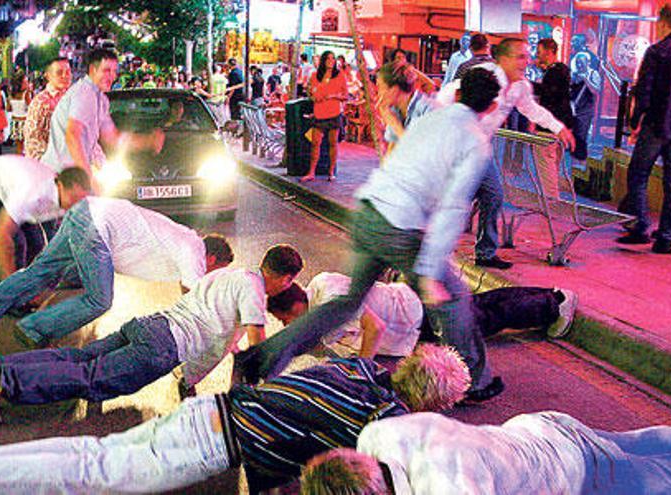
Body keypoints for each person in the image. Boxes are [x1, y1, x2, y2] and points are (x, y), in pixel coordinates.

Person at [234, 69, 504, 403]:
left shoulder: (433, 117)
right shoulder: (476, 142)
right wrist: (432, 271)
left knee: (346, 304)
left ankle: (258, 360)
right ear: (491, 108)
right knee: (455, 298)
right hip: (401, 226)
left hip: (368, 211)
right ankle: (473, 383)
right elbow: (452, 207)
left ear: (459, 95)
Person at [0, 343, 470, 493]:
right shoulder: (381, 419)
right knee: (96, 472)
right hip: (214, 441)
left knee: (95, 458)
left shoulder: (361, 369)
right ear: (433, 404)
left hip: (213, 411)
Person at [0, 244, 301, 425]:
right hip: (163, 346)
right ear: (285, 279)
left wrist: (189, 379)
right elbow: (256, 346)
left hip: (151, 324)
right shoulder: (254, 291)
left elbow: (202, 317)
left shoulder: (226, 275)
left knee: (77, 360)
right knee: (88, 378)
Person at [0, 197, 234, 351]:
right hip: (97, 228)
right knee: (100, 299)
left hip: (86, 213)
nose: (211, 276)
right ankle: (34, 328)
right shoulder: (193, 249)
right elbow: (195, 297)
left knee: (41, 273)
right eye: (215, 271)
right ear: (211, 258)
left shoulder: (182, 238)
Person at [302, 411, 671, 495]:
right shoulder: (375, 436)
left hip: (572, 469)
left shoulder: (446, 485)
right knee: (637, 441)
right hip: (539, 426)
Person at [437, 38, 576, 270]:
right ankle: (439, 249)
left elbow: (532, 110)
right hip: (457, 147)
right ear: (503, 59)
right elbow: (449, 94)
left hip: (481, 149)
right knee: (455, 199)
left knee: (493, 195)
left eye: (527, 56)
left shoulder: (521, 87)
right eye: (520, 57)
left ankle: (485, 253)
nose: (526, 61)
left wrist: (558, 127)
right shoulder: (485, 75)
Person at [267, 273, 578, 360]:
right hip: (409, 299)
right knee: (481, 306)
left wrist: (362, 371)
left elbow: (373, 328)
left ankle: (554, 306)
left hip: (415, 320)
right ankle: (550, 293)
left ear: (294, 307)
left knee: (486, 320)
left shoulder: (328, 308)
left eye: (283, 319)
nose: (285, 325)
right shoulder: (320, 282)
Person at [617, 2, 671, 254]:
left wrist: (634, 122)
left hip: (656, 125)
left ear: (663, 22)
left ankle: (640, 226)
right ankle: (667, 236)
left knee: (638, 174)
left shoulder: (657, 51)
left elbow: (644, 91)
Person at [42, 49, 158, 185]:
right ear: (93, 70)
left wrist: (147, 141)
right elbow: (73, 136)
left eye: (114, 71)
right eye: (107, 71)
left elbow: (112, 137)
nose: (112, 76)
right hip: (63, 178)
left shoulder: (101, 99)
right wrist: (88, 179)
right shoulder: (85, 93)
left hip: (74, 176)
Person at [0, 157, 92, 281]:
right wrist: (10, 283)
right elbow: (1, 234)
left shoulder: (67, 197)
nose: (76, 205)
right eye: (73, 198)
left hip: (15, 187)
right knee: (17, 242)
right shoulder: (34, 194)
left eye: (80, 200)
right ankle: (5, 290)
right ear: (60, 185)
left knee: (36, 244)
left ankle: (25, 284)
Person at [532, 39, 575, 200]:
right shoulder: (562, 70)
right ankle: (553, 197)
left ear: (549, 51)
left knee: (546, 164)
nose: (537, 54)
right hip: (564, 123)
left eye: (540, 51)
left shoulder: (554, 72)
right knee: (554, 163)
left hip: (550, 126)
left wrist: (527, 84)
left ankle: (551, 200)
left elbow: (548, 93)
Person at [301, 51, 348, 182]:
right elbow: (310, 93)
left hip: (334, 113)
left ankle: (331, 171)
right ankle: (311, 172)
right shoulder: (315, 76)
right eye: (328, 58)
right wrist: (315, 94)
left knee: (333, 143)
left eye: (333, 58)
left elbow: (345, 96)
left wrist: (333, 96)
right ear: (323, 60)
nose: (331, 61)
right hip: (319, 113)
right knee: (315, 143)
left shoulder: (340, 76)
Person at [376, 61, 437, 153]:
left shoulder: (427, 110)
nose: (379, 93)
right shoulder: (395, 109)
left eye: (381, 87)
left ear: (394, 89)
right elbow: (392, 148)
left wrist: (395, 124)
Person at [23, 58, 72, 161]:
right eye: (59, 73)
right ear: (48, 75)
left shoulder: (75, 98)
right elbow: (33, 141)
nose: (65, 76)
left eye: (68, 72)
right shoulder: (41, 102)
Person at [7, 72, 32, 155]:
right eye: (26, 82)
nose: (27, 84)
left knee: (19, 148)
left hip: (15, 122)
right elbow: (32, 107)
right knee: (27, 147)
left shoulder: (11, 94)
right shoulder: (26, 93)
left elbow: (8, 108)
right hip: (24, 122)